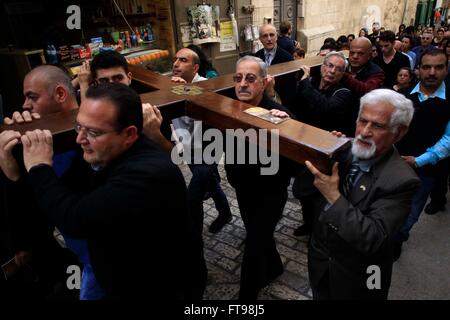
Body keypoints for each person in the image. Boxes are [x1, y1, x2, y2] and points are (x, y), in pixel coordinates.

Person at [14, 83, 193, 299]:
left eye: (92, 132)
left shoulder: (146, 175)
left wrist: (38, 166)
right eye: (78, 127)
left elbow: (74, 218)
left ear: (129, 134)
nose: (80, 139)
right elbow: (65, 188)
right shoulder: (107, 151)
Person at [305, 88, 420, 300]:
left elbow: (373, 238)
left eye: (377, 125)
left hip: (361, 278)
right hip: (321, 263)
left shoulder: (402, 180)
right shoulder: (344, 148)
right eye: (362, 120)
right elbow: (302, 189)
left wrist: (334, 196)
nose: (364, 132)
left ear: (399, 132)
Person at [0, 65, 79, 298]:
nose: (24, 105)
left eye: (31, 97)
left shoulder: (87, 143)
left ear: (61, 94)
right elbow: (38, 218)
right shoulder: (39, 139)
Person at [225, 56, 295, 300]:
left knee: (253, 246)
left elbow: (296, 150)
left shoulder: (279, 113)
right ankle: (274, 266)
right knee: (259, 235)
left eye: (250, 78)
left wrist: (285, 125)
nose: (243, 84)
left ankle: (247, 298)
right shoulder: (229, 107)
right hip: (244, 189)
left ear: (264, 83)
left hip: (270, 193)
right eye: (238, 78)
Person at [395, 48, 449, 259]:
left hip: (426, 170)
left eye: (439, 67)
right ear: (418, 70)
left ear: (446, 69)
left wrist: (419, 161)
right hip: (395, 163)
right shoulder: (403, 96)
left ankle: (398, 239)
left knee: (411, 211)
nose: (432, 72)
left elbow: (448, 140)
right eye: (426, 67)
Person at [292, 52, 353, 237]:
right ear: (322, 66)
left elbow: (326, 109)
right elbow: (296, 107)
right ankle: (308, 224)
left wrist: (304, 83)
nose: (332, 71)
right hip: (304, 146)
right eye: (329, 65)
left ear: (343, 74)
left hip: (325, 154)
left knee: (316, 193)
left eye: (338, 69)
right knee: (304, 194)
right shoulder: (310, 84)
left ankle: (318, 232)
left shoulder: (343, 93)